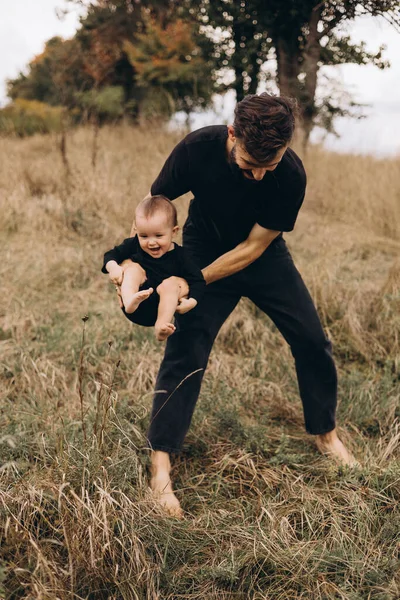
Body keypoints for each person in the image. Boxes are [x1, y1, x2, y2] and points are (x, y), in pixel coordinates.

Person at [128, 93, 356, 517]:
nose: (257, 176)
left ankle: (326, 435)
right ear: (232, 134)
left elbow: (254, 246)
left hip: (261, 257)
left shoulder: (289, 175)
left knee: (311, 339)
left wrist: (194, 280)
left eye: (267, 167)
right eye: (249, 165)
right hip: (201, 246)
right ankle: (160, 468)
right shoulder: (197, 149)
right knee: (186, 349)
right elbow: (155, 207)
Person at [103, 195, 205, 341]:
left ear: (174, 232)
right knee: (133, 269)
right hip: (134, 307)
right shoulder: (134, 245)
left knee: (171, 284)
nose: (151, 242)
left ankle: (161, 327)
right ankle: (129, 299)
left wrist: (192, 301)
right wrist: (114, 267)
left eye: (158, 235)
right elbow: (111, 254)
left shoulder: (182, 256)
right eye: (144, 236)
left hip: (159, 309)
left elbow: (198, 280)